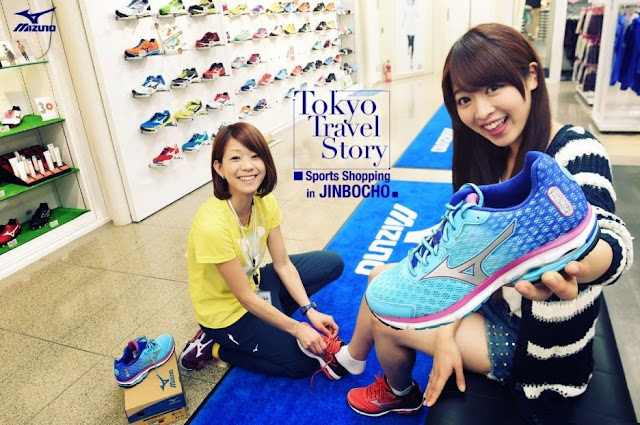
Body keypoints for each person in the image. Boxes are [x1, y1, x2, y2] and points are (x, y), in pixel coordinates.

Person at [339, 23, 634, 418]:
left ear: (531, 76)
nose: (481, 112)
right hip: (493, 302)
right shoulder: (489, 152)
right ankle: (356, 360)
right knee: (379, 278)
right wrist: (447, 333)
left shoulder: (576, 150)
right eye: (465, 99)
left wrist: (577, 263)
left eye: (493, 87)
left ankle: (399, 392)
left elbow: (612, 242)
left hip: (538, 347)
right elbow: (467, 256)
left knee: (385, 317)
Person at [179, 122, 347, 378]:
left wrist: (309, 310)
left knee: (331, 263)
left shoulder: (264, 201)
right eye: (236, 158)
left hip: (255, 285)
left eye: (255, 156)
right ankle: (214, 346)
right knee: (302, 363)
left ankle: (272, 321)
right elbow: (245, 298)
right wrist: (297, 328)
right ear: (219, 168)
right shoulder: (211, 225)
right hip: (227, 314)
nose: (248, 166)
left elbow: (283, 264)